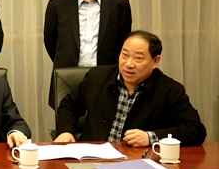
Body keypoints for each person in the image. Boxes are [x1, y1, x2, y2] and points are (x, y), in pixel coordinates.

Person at [54, 31, 206, 147]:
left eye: (138, 58)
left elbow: (195, 129)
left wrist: (150, 137)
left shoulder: (169, 90)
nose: (128, 64)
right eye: (125, 55)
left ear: (155, 61)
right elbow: (69, 105)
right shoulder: (97, 77)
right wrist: (66, 131)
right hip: (92, 157)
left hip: (137, 163)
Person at [44, 0, 132, 108]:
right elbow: (51, 42)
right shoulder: (58, 4)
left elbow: (123, 43)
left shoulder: (119, 4)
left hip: (106, 77)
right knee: (67, 120)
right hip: (67, 77)